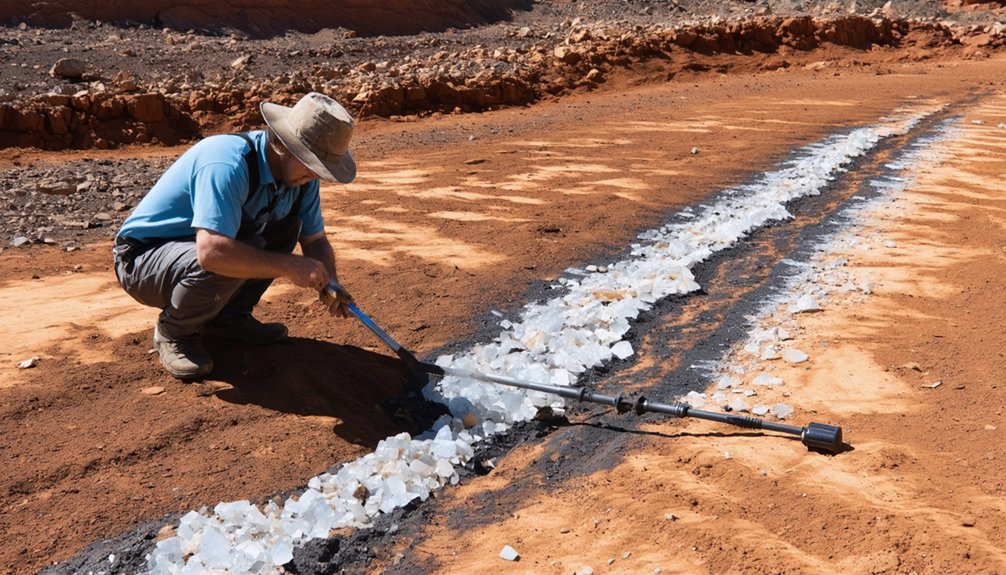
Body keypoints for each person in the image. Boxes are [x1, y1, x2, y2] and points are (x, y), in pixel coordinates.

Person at [113, 92, 356, 380]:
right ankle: (174, 332)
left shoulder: (300, 178)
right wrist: (290, 266)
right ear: (282, 145)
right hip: (143, 260)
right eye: (310, 164)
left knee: (286, 227)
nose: (315, 176)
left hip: (196, 251)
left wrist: (332, 281)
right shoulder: (227, 163)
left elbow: (315, 241)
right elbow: (212, 252)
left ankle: (227, 320)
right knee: (234, 252)